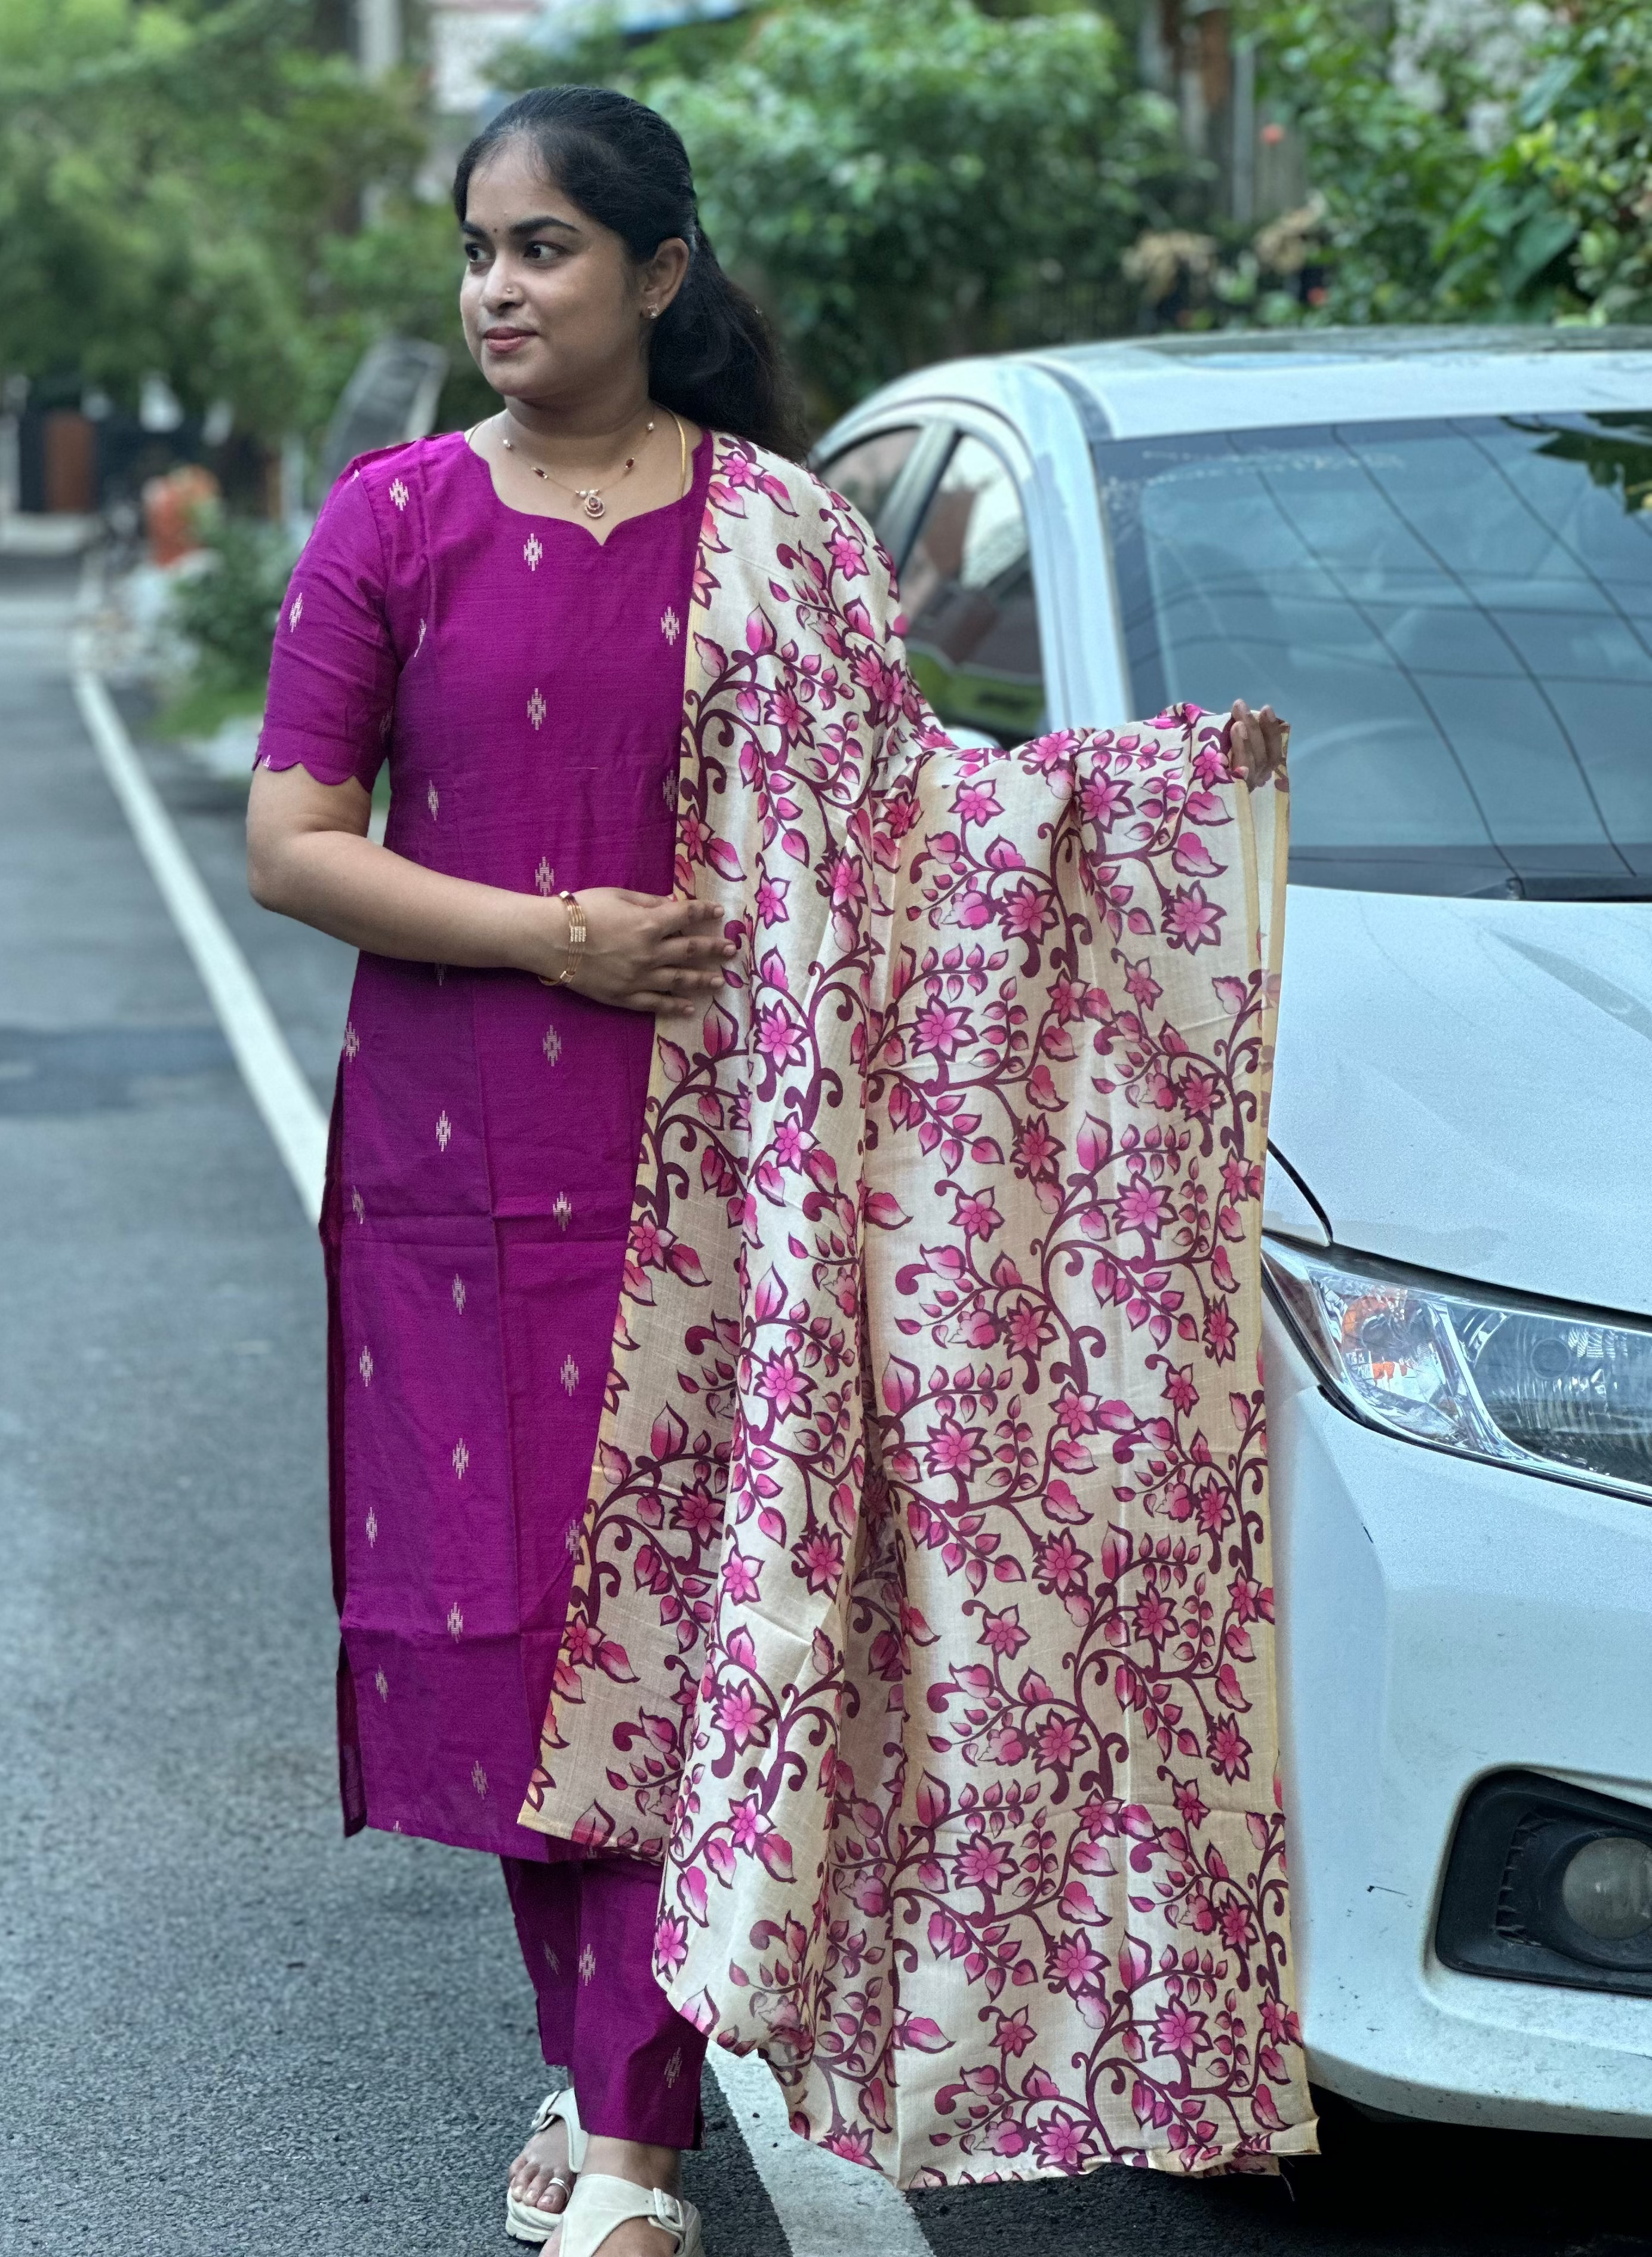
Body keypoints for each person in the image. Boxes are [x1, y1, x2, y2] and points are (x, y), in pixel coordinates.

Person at [247, 84, 1288, 2257]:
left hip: (739, 1193)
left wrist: (1143, 827)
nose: (499, 288)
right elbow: (293, 843)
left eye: (543, 247)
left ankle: (629, 2144)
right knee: (521, 1644)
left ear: (658, 272)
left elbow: (904, 837)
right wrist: (560, 934)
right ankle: (606, 2063)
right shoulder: (395, 521)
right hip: (460, 1179)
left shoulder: (788, 537)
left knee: (707, 1635)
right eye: (480, 249)